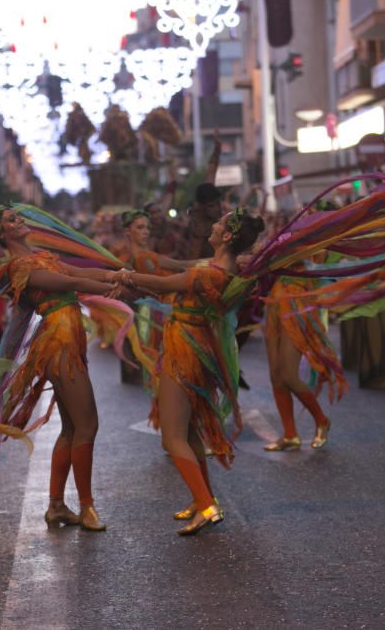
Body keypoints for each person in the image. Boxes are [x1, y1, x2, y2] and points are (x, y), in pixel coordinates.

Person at [0, 206, 127, 532]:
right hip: (57, 341)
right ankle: (87, 507)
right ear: (1, 233)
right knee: (88, 425)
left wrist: (115, 275)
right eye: (11, 220)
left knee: (73, 428)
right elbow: (65, 281)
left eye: (19, 217)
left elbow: (77, 271)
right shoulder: (15, 266)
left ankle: (57, 506)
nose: (20, 221)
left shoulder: (39, 254)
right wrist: (107, 284)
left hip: (68, 337)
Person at [124, 208, 265, 536]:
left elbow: (165, 282)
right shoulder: (217, 266)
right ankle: (201, 496)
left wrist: (124, 276)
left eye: (218, 222)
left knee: (172, 437)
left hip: (187, 349)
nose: (213, 224)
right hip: (189, 342)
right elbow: (176, 269)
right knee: (187, 432)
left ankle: (206, 507)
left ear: (227, 236)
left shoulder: (213, 273)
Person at [262, 259, 342, 452]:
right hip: (275, 299)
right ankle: (290, 434)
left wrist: (261, 255)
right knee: (276, 376)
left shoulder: (310, 233)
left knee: (289, 375)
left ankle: (321, 420)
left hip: (296, 302)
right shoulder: (282, 231)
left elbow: (299, 255)